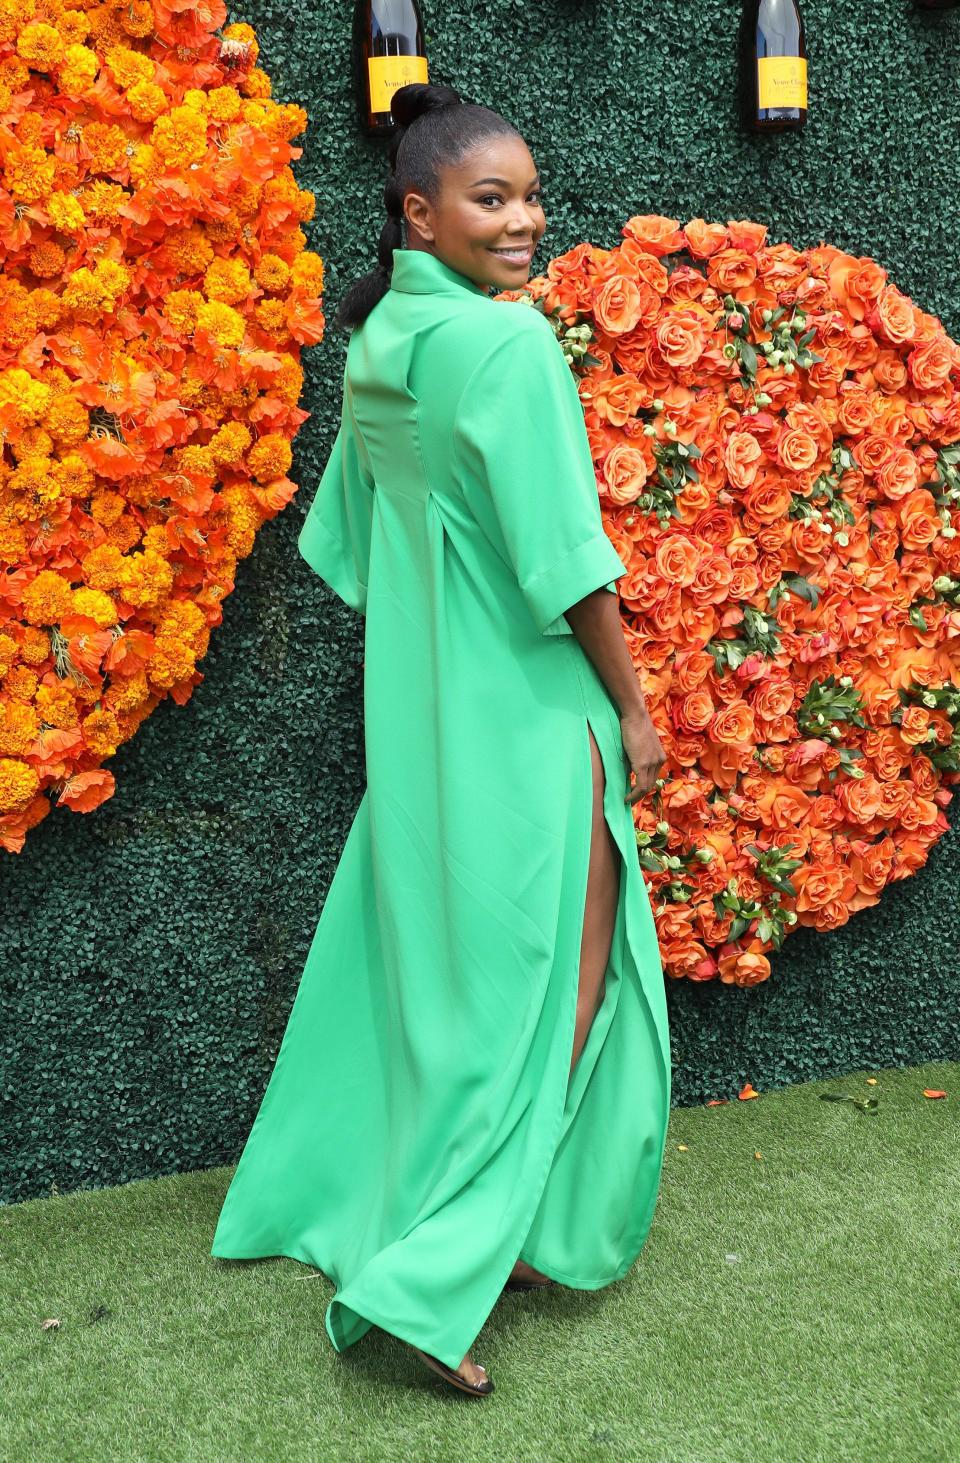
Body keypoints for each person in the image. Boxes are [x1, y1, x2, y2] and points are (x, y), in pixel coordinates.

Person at [210, 81, 671, 1400]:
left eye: (530, 196)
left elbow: (354, 551)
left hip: (425, 731)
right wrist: (632, 711)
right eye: (493, 197)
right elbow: (568, 565)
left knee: (456, 996)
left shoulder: (373, 349)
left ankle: (500, 1227)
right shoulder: (506, 347)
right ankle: (430, 1282)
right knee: (548, 1006)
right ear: (419, 210)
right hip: (532, 726)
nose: (525, 220)